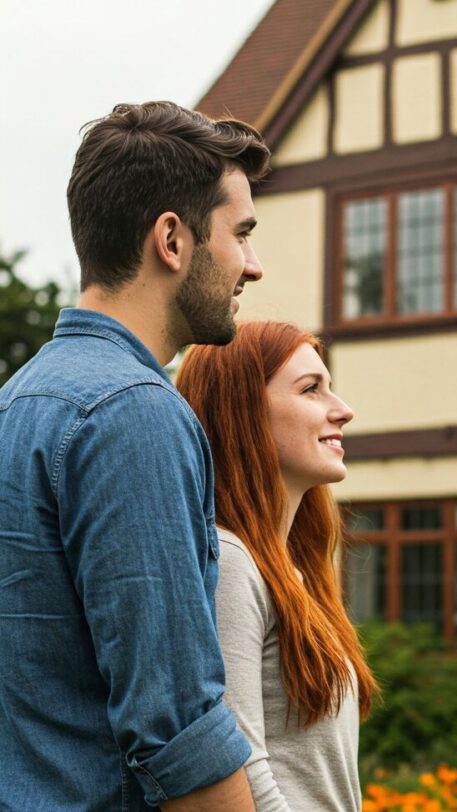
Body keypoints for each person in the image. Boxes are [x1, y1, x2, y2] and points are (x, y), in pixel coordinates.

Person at [0, 101, 270, 811]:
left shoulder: (16, 405)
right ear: (172, 241)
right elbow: (180, 732)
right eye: (240, 235)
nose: (254, 265)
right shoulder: (134, 415)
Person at [176, 320, 378, 811]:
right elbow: (239, 767)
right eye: (312, 389)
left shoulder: (297, 572)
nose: (343, 410)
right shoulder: (229, 562)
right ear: (242, 411)